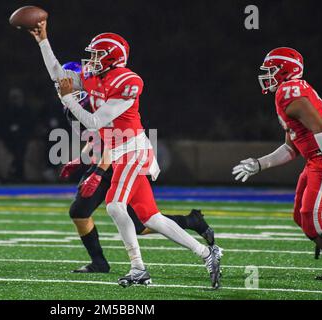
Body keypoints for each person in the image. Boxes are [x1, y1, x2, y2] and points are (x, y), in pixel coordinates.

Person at [30, 21, 222, 289]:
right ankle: (207, 253)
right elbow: (57, 75)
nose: (91, 60)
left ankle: (138, 268)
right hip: (120, 151)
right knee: (150, 218)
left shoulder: (127, 81)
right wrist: (43, 41)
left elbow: (95, 122)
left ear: (111, 58)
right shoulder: (94, 76)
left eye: (97, 55)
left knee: (114, 205)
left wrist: (68, 99)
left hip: (132, 149)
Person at [58, 62, 215, 274]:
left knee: (141, 222)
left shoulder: (99, 98)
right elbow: (96, 139)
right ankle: (100, 262)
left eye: (68, 82)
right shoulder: (73, 108)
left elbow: (115, 140)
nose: (65, 87)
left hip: (122, 161)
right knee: (79, 211)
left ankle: (189, 223)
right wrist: (80, 158)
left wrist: (97, 172)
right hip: (106, 161)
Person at [232, 47, 322, 280]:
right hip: (313, 161)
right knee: (301, 216)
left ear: (285, 71)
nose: (265, 75)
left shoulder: (289, 91)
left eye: (271, 70)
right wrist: (260, 164)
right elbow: (290, 148)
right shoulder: (286, 91)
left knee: (312, 218)